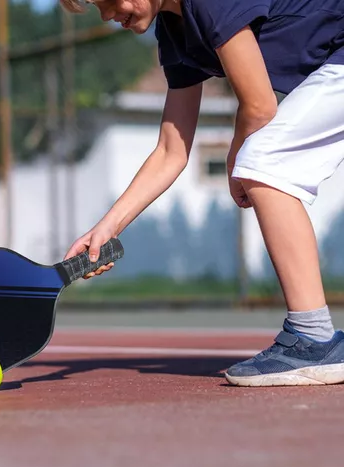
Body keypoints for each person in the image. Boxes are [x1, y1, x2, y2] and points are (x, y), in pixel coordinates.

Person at [60, 0, 344, 387]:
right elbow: (171, 150)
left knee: (264, 161)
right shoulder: (175, 34)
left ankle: (312, 338)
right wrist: (107, 228)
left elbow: (260, 106)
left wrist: (236, 160)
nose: (108, 15)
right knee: (261, 159)